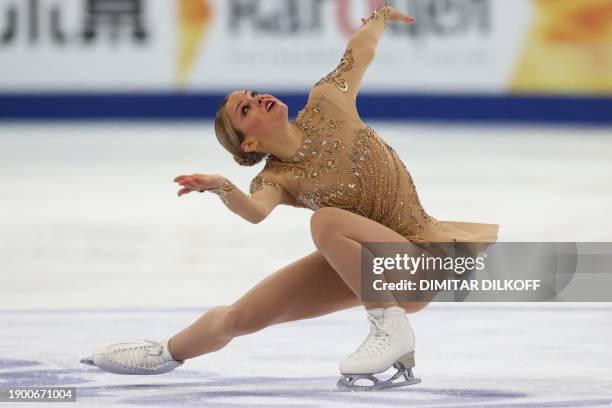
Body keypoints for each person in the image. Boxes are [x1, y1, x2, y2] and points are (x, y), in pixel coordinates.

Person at [81, 5, 499, 390]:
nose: (257, 99)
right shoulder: (276, 179)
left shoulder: (327, 103)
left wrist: (377, 19)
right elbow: (255, 212)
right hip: (375, 269)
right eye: (246, 110)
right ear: (248, 145)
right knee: (241, 317)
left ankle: (388, 327)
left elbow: (357, 54)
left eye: (250, 95)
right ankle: (166, 352)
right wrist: (223, 187)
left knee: (325, 222)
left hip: (423, 259)